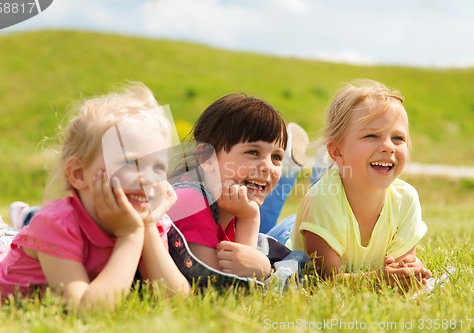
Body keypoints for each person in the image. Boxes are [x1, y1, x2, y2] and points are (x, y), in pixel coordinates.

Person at [0, 83, 190, 308]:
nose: (147, 179)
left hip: (11, 248)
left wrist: (145, 228)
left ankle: (1, 229)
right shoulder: (57, 223)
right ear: (79, 174)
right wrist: (130, 235)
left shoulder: (145, 220)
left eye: (157, 167)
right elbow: (85, 309)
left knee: (9, 238)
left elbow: (174, 299)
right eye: (130, 163)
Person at [270, 79, 432, 291]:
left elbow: (400, 269)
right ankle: (288, 171)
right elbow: (322, 280)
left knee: (333, 185)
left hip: (326, 217)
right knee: (256, 233)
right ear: (337, 151)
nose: (388, 147)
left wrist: (407, 274)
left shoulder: (406, 198)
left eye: (398, 138)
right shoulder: (321, 201)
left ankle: (322, 166)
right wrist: (378, 280)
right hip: (291, 234)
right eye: (372, 135)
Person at [167, 93, 290, 279]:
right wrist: (249, 219)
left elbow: (240, 272)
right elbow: (216, 286)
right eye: (253, 152)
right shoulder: (190, 199)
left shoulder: (230, 207)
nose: (268, 167)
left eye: (276, 157)